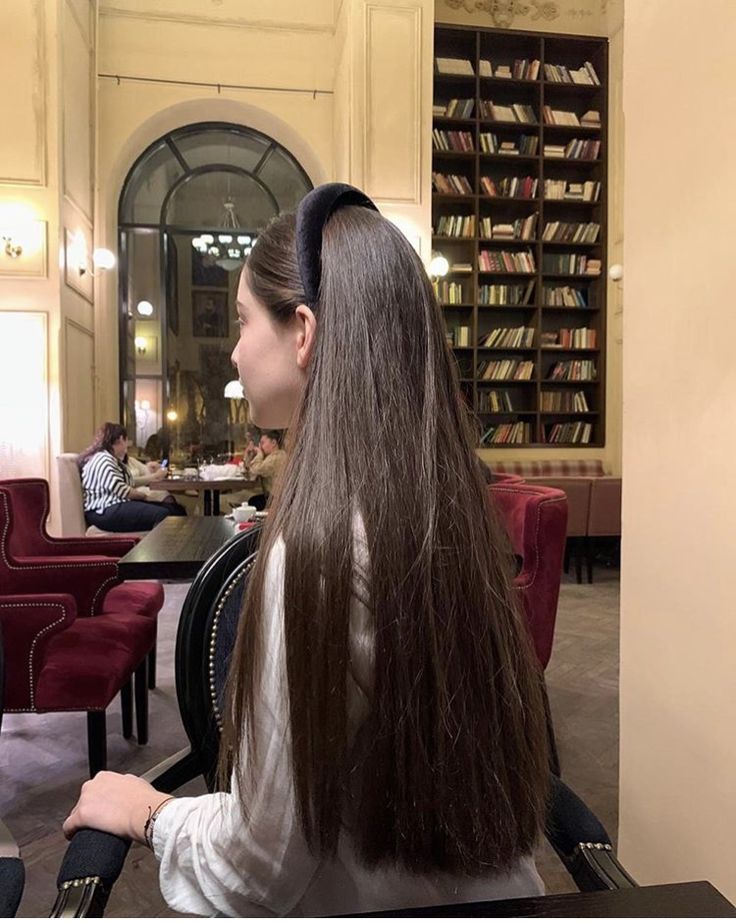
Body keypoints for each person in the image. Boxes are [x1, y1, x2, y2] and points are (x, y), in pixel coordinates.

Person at [64, 185, 550, 915]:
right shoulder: (450, 516)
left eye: (240, 321)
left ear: (303, 331)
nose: (231, 347)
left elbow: (253, 873)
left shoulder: (318, 554)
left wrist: (144, 808)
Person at [77, 423, 186, 532]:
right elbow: (122, 490)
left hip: (113, 507)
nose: (126, 447)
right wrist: (144, 497)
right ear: (120, 439)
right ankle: (164, 547)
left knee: (174, 510)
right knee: (162, 514)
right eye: (126, 442)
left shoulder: (111, 459)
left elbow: (128, 482)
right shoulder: (104, 459)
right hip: (104, 510)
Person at [243, 429, 286, 510]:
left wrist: (259, 454)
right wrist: (249, 455)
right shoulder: (270, 456)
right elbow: (250, 472)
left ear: (273, 443)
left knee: (252, 503)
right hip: (273, 496)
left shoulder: (277, 457)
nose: (260, 447)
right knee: (252, 501)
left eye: (262, 443)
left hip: (278, 499)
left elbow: (256, 469)